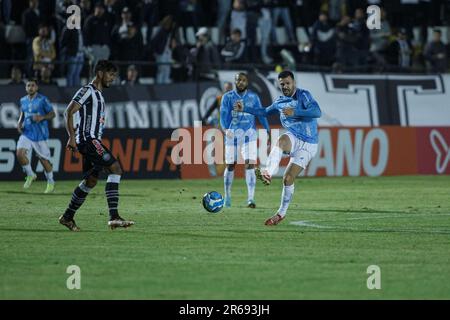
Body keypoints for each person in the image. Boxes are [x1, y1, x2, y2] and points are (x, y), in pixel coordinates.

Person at [234, 70, 321, 225]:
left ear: (294, 83)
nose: (285, 86)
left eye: (288, 83)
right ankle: (268, 172)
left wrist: (295, 111)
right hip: (293, 137)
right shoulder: (279, 102)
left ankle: (281, 213)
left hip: (308, 144)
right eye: (282, 84)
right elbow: (264, 111)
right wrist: (244, 108)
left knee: (288, 179)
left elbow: (317, 112)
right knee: (281, 140)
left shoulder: (303, 95)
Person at [60, 60, 134, 231]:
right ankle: (114, 216)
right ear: (100, 73)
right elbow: (68, 112)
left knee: (90, 181)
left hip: (92, 141)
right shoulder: (87, 91)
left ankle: (67, 217)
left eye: (114, 75)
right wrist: (71, 137)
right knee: (115, 168)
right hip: (88, 140)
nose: (112, 78)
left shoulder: (99, 94)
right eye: (110, 74)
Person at [220, 72, 271, 208]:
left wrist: (267, 129)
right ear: (235, 81)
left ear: (247, 82)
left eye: (243, 80)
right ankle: (227, 196)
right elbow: (223, 115)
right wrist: (225, 129)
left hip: (249, 136)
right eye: (238, 80)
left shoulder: (253, 97)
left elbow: (261, 113)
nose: (241, 82)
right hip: (232, 136)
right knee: (231, 165)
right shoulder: (227, 97)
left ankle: (250, 199)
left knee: (250, 165)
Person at [16, 78, 56, 193]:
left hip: (40, 134)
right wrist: (19, 122)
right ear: (26, 88)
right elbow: (22, 113)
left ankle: (50, 181)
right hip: (27, 132)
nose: (30, 88)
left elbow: (53, 114)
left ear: (36, 87)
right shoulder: (23, 100)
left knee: (44, 160)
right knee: (19, 153)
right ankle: (30, 174)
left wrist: (42, 117)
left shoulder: (43, 100)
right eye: (28, 86)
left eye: (33, 85)